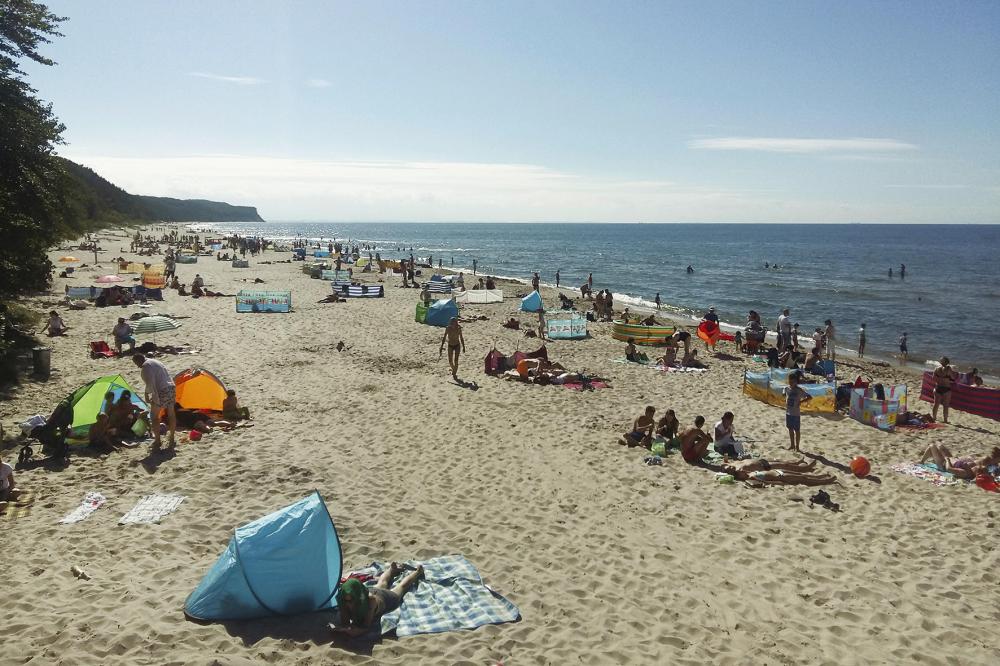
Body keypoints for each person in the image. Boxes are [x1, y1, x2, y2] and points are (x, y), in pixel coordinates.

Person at [330, 563, 424, 637]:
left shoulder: (371, 602)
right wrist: (342, 628)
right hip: (372, 590)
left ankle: (418, 572)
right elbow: (345, 622)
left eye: (351, 600)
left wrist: (354, 631)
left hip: (385, 599)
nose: (348, 604)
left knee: (401, 587)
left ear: (358, 596)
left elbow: (366, 626)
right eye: (346, 600)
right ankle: (391, 569)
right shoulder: (344, 599)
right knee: (382, 583)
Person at [132, 353, 176, 452]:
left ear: (139, 360)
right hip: (171, 387)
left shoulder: (146, 366)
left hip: (161, 390)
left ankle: (157, 440)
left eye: (136, 363)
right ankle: (172, 437)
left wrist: (147, 394)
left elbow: (150, 383)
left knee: (154, 417)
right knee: (171, 414)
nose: (137, 366)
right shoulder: (155, 361)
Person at [721, 458, 837, 486]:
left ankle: (821, 476)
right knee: (803, 479)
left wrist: (726, 464)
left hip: (776, 471)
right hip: (780, 476)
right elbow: (766, 482)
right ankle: (826, 480)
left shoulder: (745, 471)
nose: (741, 471)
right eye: (740, 472)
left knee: (801, 475)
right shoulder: (750, 477)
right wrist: (780, 483)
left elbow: (724, 464)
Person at [918, 444, 1000, 480]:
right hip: (954, 460)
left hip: (944, 464)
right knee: (940, 446)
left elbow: (949, 469)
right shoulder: (987, 463)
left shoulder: (966, 472)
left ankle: (922, 461)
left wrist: (947, 459)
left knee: (932, 446)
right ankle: (926, 458)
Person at [783, 371, 811, 452]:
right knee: (790, 429)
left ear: (796, 382)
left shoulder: (799, 390)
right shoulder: (787, 388)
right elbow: (784, 391)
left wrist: (801, 402)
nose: (791, 383)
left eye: (793, 382)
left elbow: (809, 397)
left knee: (797, 431)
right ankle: (792, 445)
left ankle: (797, 447)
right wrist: (784, 394)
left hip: (796, 414)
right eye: (790, 382)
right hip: (788, 413)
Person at [932, 357, 959, 423]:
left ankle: (934, 417)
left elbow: (933, 378)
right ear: (947, 362)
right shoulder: (949, 369)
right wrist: (947, 380)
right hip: (946, 389)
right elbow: (953, 378)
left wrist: (940, 379)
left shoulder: (936, 368)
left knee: (936, 404)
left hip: (937, 388)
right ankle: (945, 420)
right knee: (946, 406)